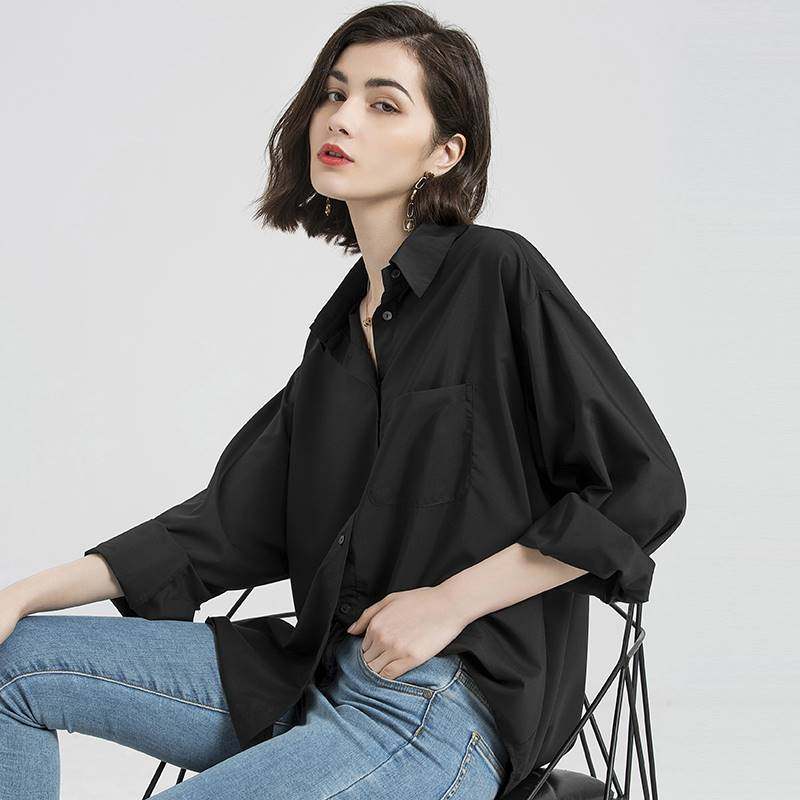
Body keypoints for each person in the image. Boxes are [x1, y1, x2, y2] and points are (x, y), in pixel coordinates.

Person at [0, 4, 687, 799]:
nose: (343, 118)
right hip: (304, 676)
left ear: (444, 152)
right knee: (13, 662)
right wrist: (21, 594)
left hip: (436, 710)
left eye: (383, 103)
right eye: (334, 94)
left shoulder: (495, 275)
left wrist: (449, 603)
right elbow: (218, 528)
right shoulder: (335, 342)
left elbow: (643, 487)